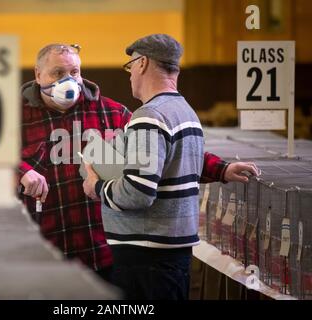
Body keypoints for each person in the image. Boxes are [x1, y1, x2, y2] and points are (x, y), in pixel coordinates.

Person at [19, 43, 258, 283]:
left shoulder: (111, 114)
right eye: (58, 73)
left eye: (74, 72)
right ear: (38, 75)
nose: (68, 81)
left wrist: (222, 169)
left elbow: (161, 150)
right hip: (42, 253)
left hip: (102, 252)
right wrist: (21, 171)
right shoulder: (15, 119)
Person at [82, 34, 259, 299]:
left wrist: (96, 186)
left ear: (142, 64)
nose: (130, 76)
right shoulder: (185, 110)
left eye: (130, 67)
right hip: (170, 256)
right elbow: (174, 164)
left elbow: (137, 193)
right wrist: (221, 170)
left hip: (145, 259)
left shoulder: (149, 116)